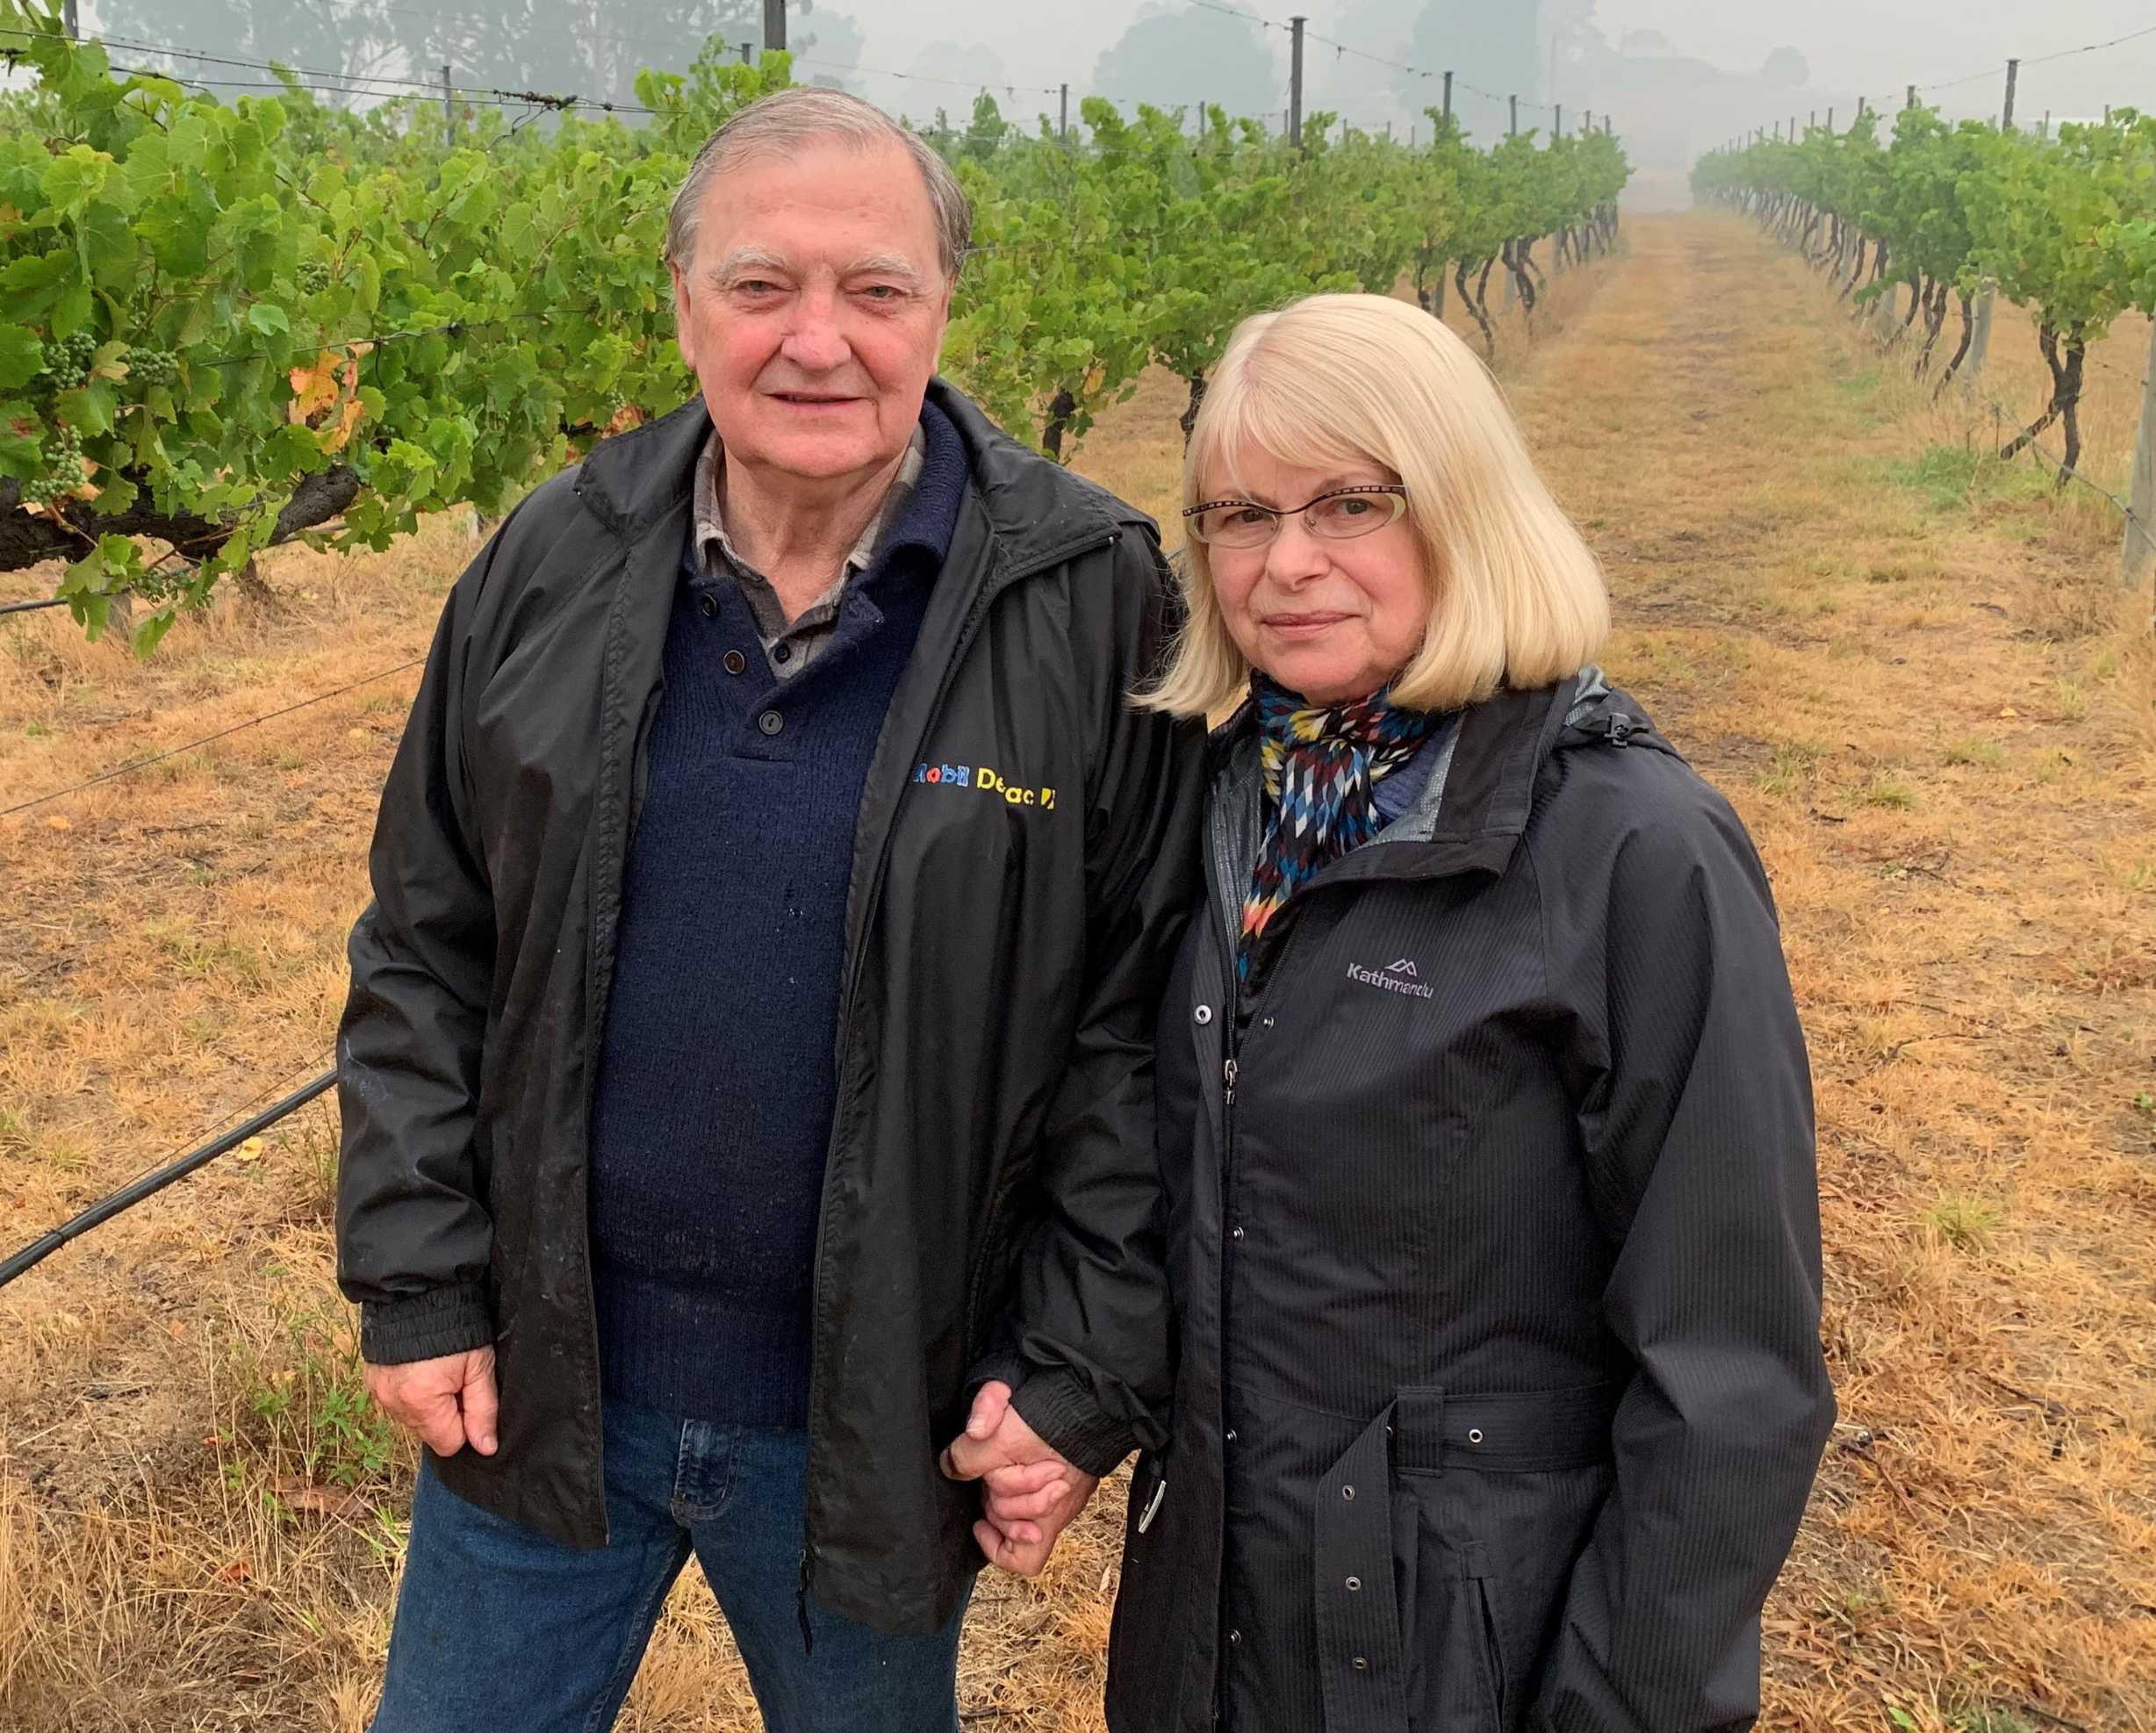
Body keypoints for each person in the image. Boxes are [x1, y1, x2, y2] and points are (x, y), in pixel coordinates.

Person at [334, 86, 1203, 1733]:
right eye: (761, 287)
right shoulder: (553, 557)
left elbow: (1135, 1024)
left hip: (876, 1412)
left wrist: (1083, 1372)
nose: (821, 340)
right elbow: (425, 941)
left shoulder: (1087, 597)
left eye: (875, 291)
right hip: (548, 1384)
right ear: (682, 306)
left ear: (944, 309)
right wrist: (423, 1277)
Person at [1086, 295, 1835, 1733]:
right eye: (1238, 515)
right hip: (1211, 1625)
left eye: (1351, 503)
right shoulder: (1214, 806)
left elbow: (1730, 1373)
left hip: (1470, 1662)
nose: (1287, 561)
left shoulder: (1631, 851)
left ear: (1466, 510)